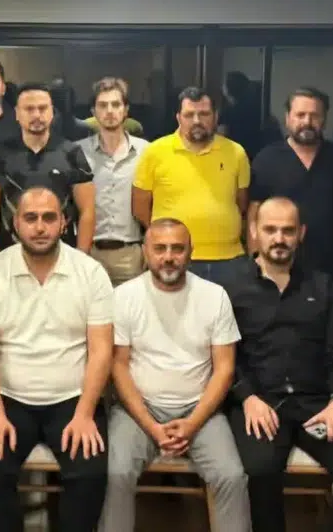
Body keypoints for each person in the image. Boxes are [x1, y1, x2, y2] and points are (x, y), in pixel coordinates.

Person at [226, 197, 333, 532]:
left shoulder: (324, 285)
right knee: (260, 471)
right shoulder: (231, 288)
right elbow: (227, 357)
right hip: (261, 403)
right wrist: (247, 397)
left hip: (317, 404)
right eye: (270, 229)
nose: (279, 238)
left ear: (301, 233)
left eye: (288, 230)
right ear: (254, 231)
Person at [0, 188, 113, 532]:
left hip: (73, 400)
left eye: (49, 218)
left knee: (90, 472)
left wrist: (85, 414)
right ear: (15, 224)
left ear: (64, 222)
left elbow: (102, 350)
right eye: (30, 218)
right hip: (8, 400)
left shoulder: (91, 272)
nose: (39, 227)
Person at [101, 218, 247, 532]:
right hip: (138, 411)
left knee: (231, 476)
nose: (169, 257)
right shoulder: (124, 296)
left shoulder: (215, 296)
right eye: (160, 249)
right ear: (145, 252)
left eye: (177, 249)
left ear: (190, 252)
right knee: (116, 474)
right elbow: (118, 367)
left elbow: (224, 369)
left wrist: (192, 423)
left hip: (200, 410)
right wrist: (152, 427)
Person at [133, 87, 249, 287]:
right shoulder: (154, 153)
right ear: (178, 117)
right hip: (176, 259)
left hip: (229, 260)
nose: (197, 121)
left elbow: (242, 204)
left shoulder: (236, 152)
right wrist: (165, 238)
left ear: (215, 116)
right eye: (189, 115)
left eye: (204, 114)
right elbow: (139, 207)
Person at [248, 87, 333, 282]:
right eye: (300, 115)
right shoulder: (266, 160)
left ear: (324, 119)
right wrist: (255, 263)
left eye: (314, 115)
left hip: (332, 269)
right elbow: (254, 214)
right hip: (278, 268)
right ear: (288, 118)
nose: (307, 122)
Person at [0, 83, 95, 257]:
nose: (36, 115)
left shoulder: (72, 153)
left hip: (62, 257)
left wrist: (81, 260)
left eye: (42, 108)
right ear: (17, 113)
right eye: (29, 109)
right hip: (11, 257)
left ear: (52, 112)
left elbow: (87, 212)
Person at [80, 78, 149, 285]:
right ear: (93, 111)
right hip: (88, 252)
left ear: (126, 110)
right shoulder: (78, 151)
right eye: (102, 105)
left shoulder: (146, 151)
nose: (109, 111)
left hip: (130, 254)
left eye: (116, 104)